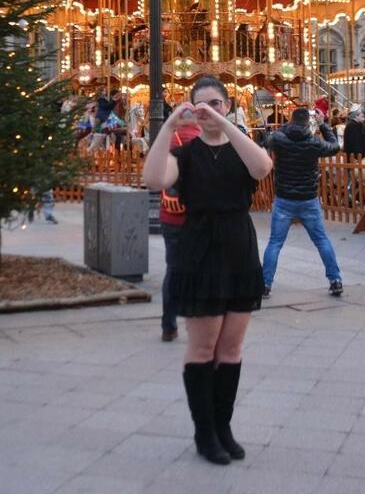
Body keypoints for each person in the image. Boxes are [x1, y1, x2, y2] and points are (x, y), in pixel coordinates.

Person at [142, 76, 272, 466]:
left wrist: (223, 123)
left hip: (238, 247)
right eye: (202, 106)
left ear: (229, 105)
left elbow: (262, 168)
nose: (210, 111)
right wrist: (169, 125)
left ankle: (224, 427)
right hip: (199, 249)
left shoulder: (240, 147)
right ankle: (204, 432)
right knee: (203, 346)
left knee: (231, 347)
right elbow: (152, 179)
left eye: (217, 104)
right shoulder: (186, 154)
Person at [261, 107, 345, 298]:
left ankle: (265, 284)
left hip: (284, 198)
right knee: (321, 240)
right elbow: (334, 146)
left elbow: (266, 141)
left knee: (275, 242)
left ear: (291, 120)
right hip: (308, 198)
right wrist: (324, 124)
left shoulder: (279, 139)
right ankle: (335, 280)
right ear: (308, 122)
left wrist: (284, 127)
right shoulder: (314, 142)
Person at [157, 115, 202, 342]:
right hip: (195, 217)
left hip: (170, 214)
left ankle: (168, 324)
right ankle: (197, 323)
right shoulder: (200, 140)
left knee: (173, 270)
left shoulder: (168, 140)